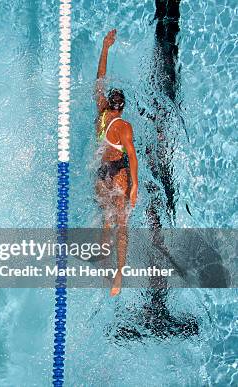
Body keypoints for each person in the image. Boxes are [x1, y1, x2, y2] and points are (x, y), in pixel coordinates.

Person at [94, 29, 139, 297]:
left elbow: (99, 80)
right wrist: (134, 187)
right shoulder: (124, 126)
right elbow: (131, 156)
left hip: (102, 173)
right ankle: (116, 272)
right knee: (120, 224)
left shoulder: (101, 111)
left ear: (110, 104)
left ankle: (109, 267)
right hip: (118, 173)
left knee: (107, 221)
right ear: (122, 107)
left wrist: (105, 48)